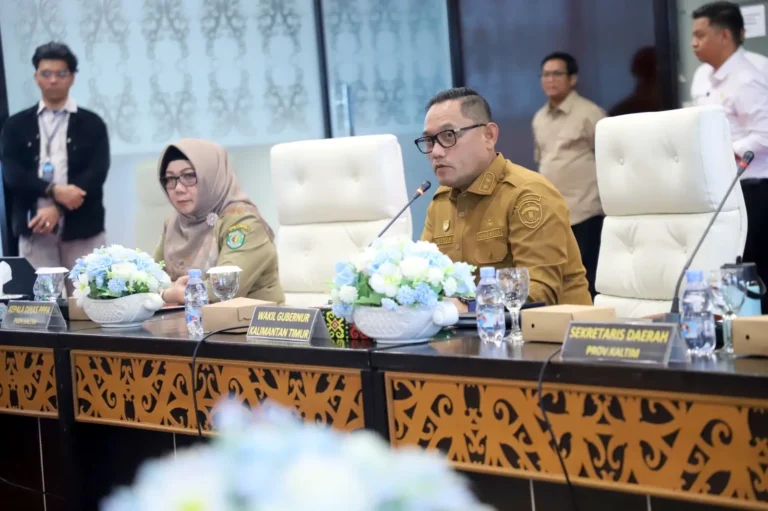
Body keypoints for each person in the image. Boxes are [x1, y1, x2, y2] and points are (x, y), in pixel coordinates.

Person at [418, 87, 591, 308]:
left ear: (489, 136)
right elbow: (425, 277)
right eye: (429, 141)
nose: (436, 152)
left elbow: (539, 293)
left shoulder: (528, 194)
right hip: (468, 327)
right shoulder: (441, 201)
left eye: (448, 136)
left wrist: (469, 305)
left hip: (550, 328)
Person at [0, 42, 109, 292]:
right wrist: (52, 190)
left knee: (88, 298)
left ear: (72, 77)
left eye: (61, 73)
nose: (53, 80)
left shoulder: (92, 123)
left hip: (83, 227)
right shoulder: (16, 125)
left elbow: (96, 173)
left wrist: (57, 208)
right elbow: (12, 173)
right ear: (36, 77)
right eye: (46, 73)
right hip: (34, 227)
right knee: (43, 303)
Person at [690, 2, 768, 311]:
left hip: (753, 189)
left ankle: (756, 329)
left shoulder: (748, 77)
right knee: (725, 264)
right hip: (719, 188)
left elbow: (765, 134)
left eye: (700, 35)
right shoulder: (701, 76)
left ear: (724, 36)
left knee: (752, 267)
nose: (693, 43)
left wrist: (722, 152)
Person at [153, 138, 285, 305]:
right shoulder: (174, 224)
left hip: (251, 319)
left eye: (189, 176)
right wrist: (166, 292)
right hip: (188, 319)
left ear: (212, 177)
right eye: (170, 179)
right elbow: (148, 279)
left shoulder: (243, 222)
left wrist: (166, 294)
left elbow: (223, 289)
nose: (178, 188)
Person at [532, 53, 605, 298]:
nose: (550, 79)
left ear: (572, 79)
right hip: (553, 214)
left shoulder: (590, 113)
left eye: (557, 74)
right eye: (545, 74)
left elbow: (608, 159)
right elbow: (544, 160)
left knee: (587, 279)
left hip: (585, 212)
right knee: (558, 279)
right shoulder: (539, 118)